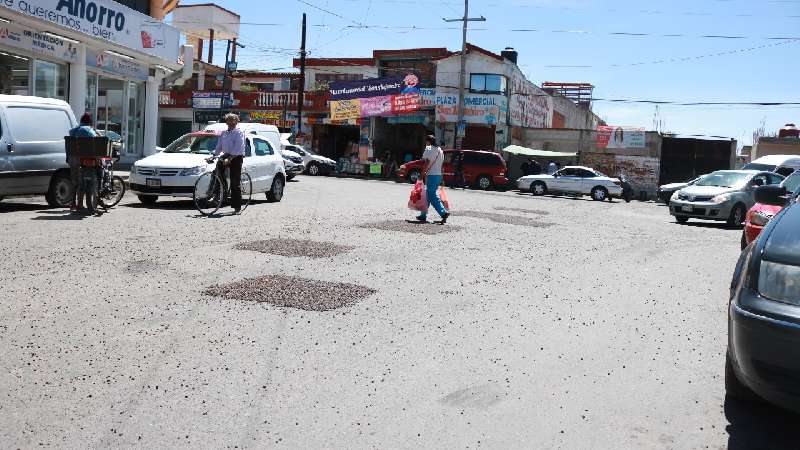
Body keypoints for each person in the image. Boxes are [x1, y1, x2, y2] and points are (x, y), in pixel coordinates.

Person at [207, 113, 245, 214]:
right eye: (229, 120)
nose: (231, 122)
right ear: (226, 122)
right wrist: (214, 155)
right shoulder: (224, 133)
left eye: (233, 120)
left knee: (234, 182)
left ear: (236, 122)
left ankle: (237, 207)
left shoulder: (239, 132)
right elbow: (219, 146)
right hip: (226, 154)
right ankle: (219, 193)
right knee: (217, 172)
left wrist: (231, 158)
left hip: (236, 157)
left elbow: (239, 147)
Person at [68, 113, 98, 212]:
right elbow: (95, 140)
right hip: (83, 159)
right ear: (89, 121)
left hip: (72, 158)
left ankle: (73, 203)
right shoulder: (88, 130)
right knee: (83, 182)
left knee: (74, 182)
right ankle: (84, 203)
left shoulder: (73, 131)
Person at [416, 135, 449, 224]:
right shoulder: (440, 150)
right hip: (438, 175)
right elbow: (442, 165)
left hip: (432, 175)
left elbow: (426, 162)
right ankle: (423, 215)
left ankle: (443, 213)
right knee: (427, 195)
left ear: (428, 141)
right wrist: (442, 177)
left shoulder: (429, 148)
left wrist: (422, 174)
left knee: (431, 195)